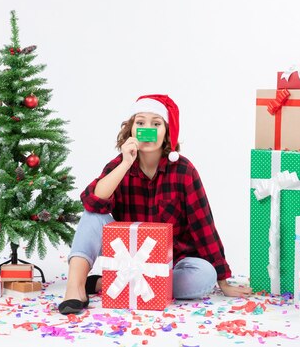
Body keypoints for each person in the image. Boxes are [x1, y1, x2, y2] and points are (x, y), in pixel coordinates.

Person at [58, 94, 251, 315]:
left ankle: (107, 283)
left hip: (170, 264)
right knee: (93, 215)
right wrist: (125, 163)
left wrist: (222, 279)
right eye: (140, 123)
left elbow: (203, 225)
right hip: (126, 255)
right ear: (131, 129)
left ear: (167, 132)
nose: (146, 129)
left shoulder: (184, 171)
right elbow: (93, 200)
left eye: (156, 123)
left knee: (204, 275)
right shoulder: (119, 165)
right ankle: (75, 288)